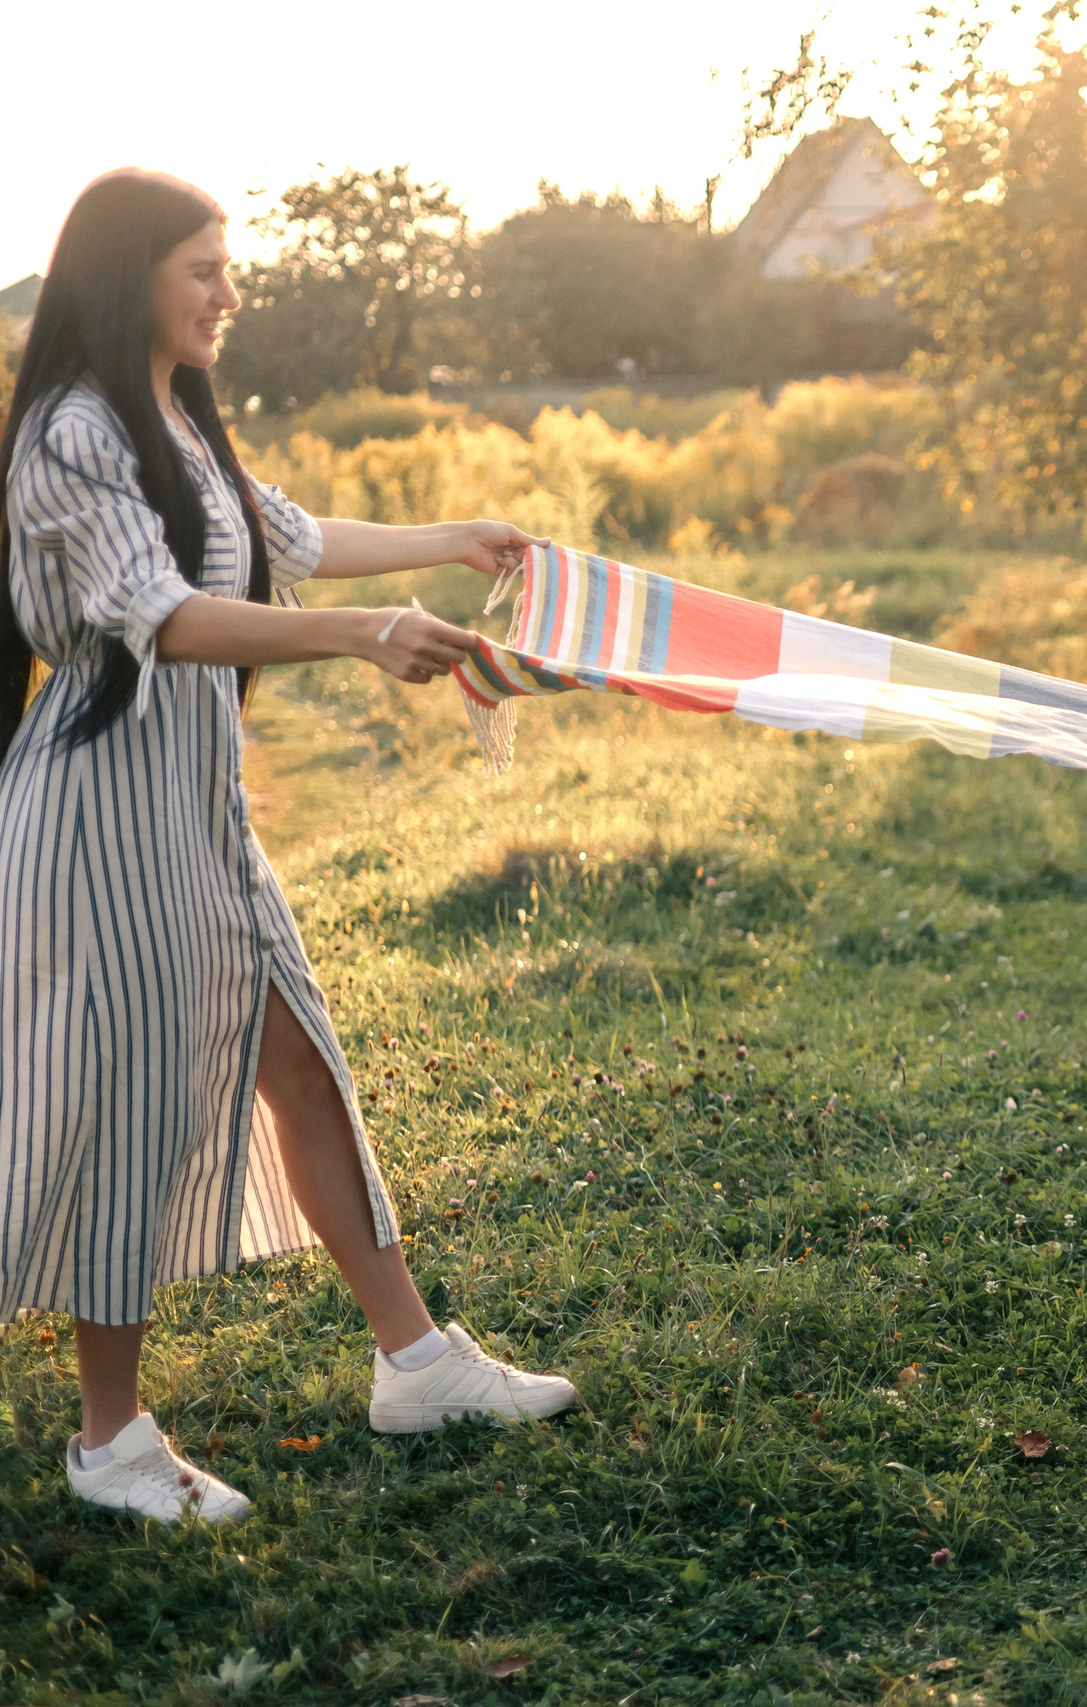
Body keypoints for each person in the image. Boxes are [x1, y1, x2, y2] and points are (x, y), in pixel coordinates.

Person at [1, 171, 579, 1527]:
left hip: (201, 816)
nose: (229, 291)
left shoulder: (173, 417)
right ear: (128, 275)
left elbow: (287, 541)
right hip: (100, 825)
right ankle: (109, 1439)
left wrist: (453, 540)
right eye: (202, 268)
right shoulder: (71, 433)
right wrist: (363, 636)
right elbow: (165, 615)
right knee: (129, 1111)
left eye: (227, 265)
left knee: (305, 1066)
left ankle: (417, 1362)